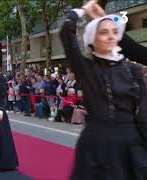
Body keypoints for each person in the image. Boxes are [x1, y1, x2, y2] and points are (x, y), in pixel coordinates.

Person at [60, 1, 147, 179]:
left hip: (131, 145)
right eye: (103, 32)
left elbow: (143, 114)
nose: (110, 36)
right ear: (92, 38)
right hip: (97, 144)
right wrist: (84, 10)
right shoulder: (87, 68)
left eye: (115, 32)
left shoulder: (133, 71)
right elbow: (66, 32)